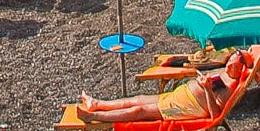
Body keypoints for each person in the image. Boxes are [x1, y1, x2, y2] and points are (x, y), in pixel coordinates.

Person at [78, 51, 249, 124]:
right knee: (138, 98)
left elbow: (215, 115)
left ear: (241, 68)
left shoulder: (230, 88)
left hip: (185, 108)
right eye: (230, 61)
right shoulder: (227, 73)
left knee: (139, 110)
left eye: (233, 65)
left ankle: (95, 116)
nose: (228, 66)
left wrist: (205, 88)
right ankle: (97, 103)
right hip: (179, 96)